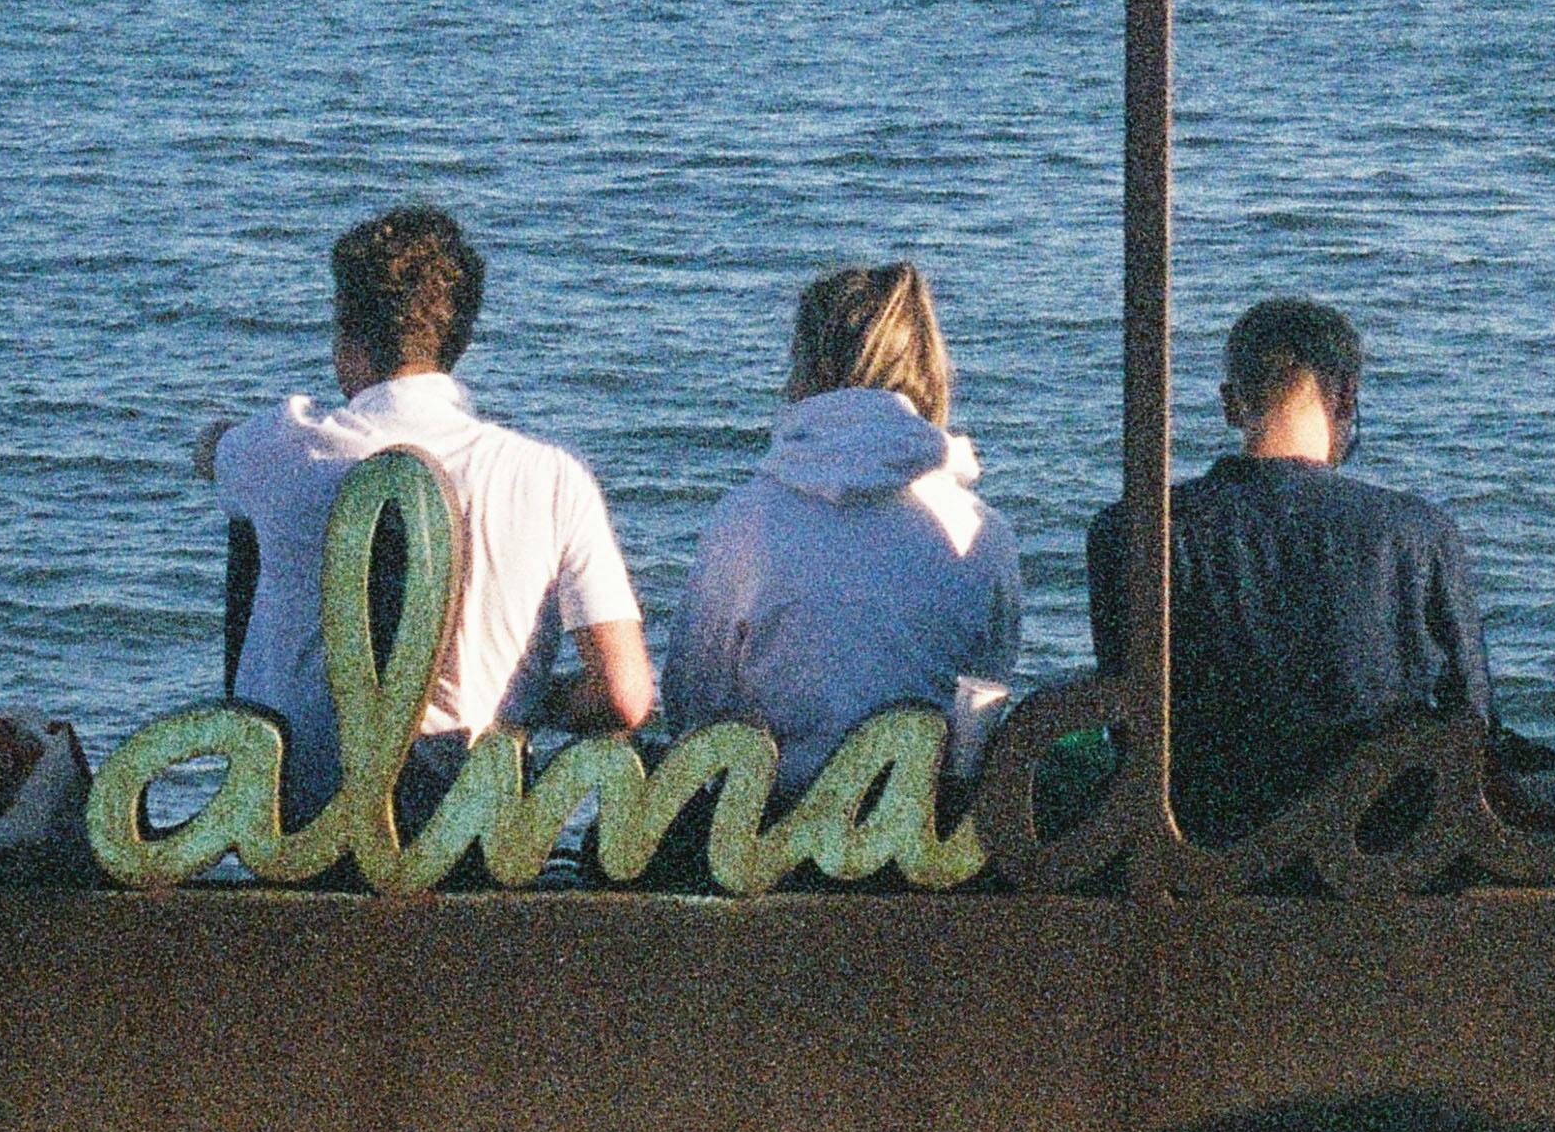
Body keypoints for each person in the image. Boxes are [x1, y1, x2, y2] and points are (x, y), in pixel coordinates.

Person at [194, 204, 653, 826]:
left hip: (294, 831)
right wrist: (524, 702)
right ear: (459, 338)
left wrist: (237, 441)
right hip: (469, 835)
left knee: (249, 526)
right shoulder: (549, 478)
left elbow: (208, 450)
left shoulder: (283, 446)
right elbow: (625, 697)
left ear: (346, 336)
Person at [1086, 295, 1494, 844]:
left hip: (1201, 849)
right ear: (1346, 397)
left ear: (1231, 405)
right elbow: (1474, 720)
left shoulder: (1133, 533)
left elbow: (1125, 723)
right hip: (1382, 857)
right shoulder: (1418, 533)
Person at [665, 259, 1024, 794]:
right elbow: (978, 717)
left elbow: (695, 706)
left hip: (763, 837)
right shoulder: (982, 534)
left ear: (806, 364)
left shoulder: (746, 520)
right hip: (921, 838)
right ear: (929, 367)